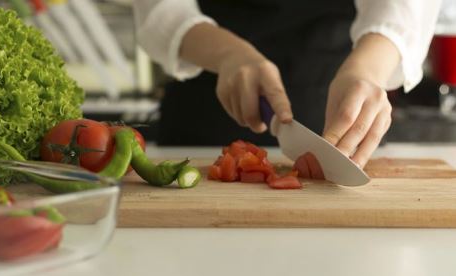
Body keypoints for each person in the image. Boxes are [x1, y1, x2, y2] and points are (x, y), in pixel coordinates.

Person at [132, 0, 441, 167]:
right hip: (203, 114)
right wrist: (228, 54)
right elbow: (159, 8)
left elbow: (404, 7)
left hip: (341, 102)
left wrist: (367, 71)